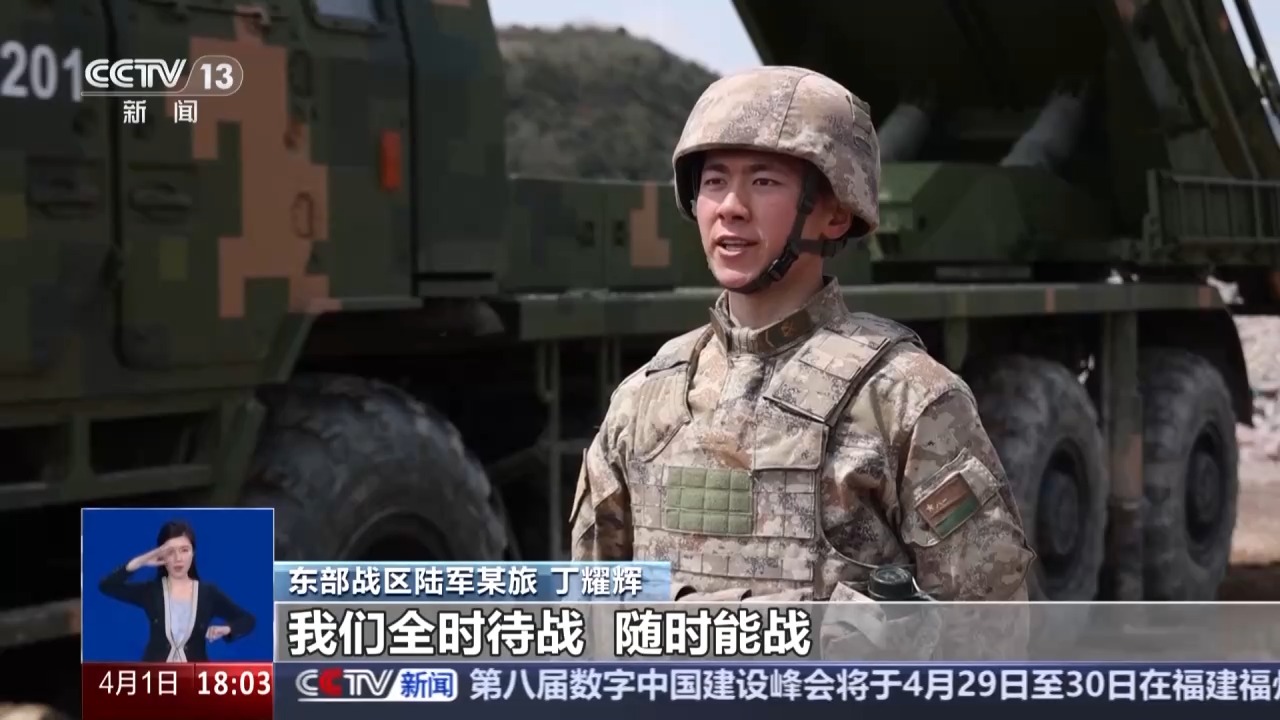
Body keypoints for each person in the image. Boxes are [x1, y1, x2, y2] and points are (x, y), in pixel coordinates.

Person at [569, 66, 1035, 656]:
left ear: (835, 213)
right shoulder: (642, 402)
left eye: (764, 181)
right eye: (714, 181)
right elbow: (593, 620)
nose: (730, 207)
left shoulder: (905, 400)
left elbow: (990, 640)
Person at [98, 519, 256, 662]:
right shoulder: (152, 591)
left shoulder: (208, 593)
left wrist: (227, 629)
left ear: (193, 553)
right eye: (170, 551)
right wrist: (141, 561)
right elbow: (107, 586)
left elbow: (247, 619)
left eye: (184, 550)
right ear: (161, 555)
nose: (178, 558)